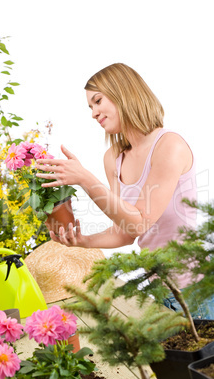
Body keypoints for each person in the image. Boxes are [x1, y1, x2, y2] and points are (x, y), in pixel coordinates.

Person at [35, 63, 212, 318]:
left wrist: (84, 178)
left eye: (98, 101)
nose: (94, 113)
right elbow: (126, 232)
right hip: (160, 293)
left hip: (198, 290)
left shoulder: (169, 145)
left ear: (123, 93)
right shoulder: (114, 158)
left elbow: (140, 222)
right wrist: (82, 242)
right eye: (90, 107)